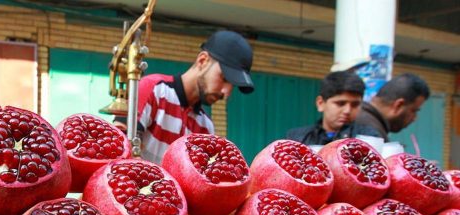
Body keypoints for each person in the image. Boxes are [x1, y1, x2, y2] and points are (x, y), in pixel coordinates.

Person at [117, 30, 255, 164]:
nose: (226, 92)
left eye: (233, 86)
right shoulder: (154, 89)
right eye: (224, 78)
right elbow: (121, 148)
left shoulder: (205, 128)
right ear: (203, 60)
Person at [286, 71, 380, 145]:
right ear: (321, 103)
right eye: (340, 103)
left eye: (355, 105)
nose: (347, 111)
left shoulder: (369, 138)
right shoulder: (297, 138)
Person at [355, 73, 430, 142]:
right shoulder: (371, 134)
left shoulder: (359, 118)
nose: (414, 118)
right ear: (398, 105)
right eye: (413, 111)